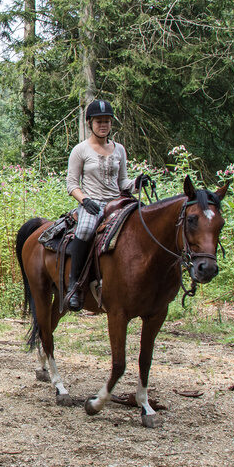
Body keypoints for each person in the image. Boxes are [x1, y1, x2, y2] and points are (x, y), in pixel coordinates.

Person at [65, 99, 148, 310]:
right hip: (92, 202)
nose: (103, 125)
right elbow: (72, 184)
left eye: (107, 121)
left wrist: (137, 184)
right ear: (90, 123)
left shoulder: (119, 149)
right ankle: (74, 285)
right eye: (99, 121)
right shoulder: (80, 150)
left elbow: (123, 182)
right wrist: (85, 200)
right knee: (84, 230)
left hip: (118, 201)